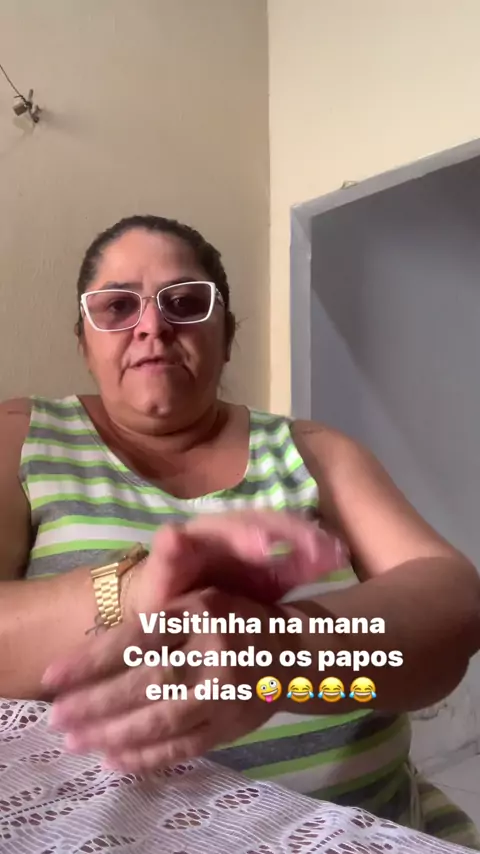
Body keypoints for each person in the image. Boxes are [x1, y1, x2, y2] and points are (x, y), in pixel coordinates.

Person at [0, 215, 479, 849]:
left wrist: (281, 650)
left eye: (185, 302)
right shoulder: (23, 436)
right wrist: (138, 591)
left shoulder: (312, 449)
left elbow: (452, 598)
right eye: (117, 306)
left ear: (226, 336)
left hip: (371, 831)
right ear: (84, 341)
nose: (152, 326)